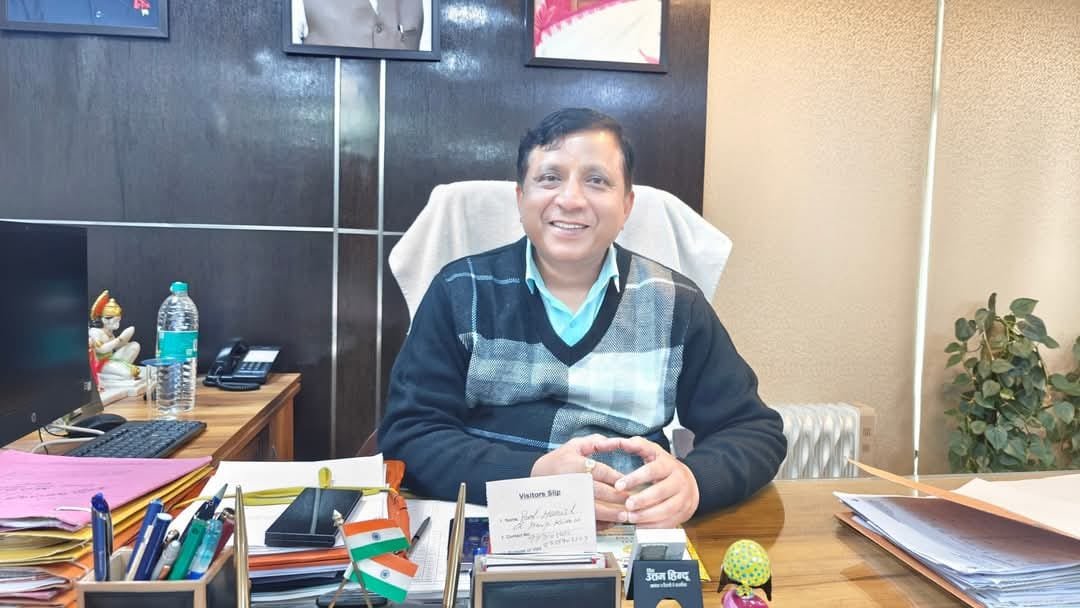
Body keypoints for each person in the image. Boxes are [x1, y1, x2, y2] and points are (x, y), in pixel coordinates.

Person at [378, 108, 786, 528]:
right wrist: (532, 475)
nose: (571, 200)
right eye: (549, 178)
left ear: (626, 206)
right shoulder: (459, 291)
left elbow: (755, 431)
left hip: (629, 525)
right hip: (495, 522)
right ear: (520, 199)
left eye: (597, 180)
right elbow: (409, 435)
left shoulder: (676, 303)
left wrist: (695, 481)